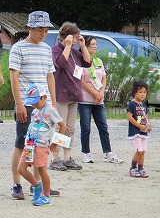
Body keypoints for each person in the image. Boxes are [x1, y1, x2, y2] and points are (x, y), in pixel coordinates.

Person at [9, 10, 58, 200]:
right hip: (26, 104)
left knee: (41, 145)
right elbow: (14, 76)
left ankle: (36, 185)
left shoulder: (47, 49)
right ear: (29, 28)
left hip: (44, 105)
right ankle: (16, 184)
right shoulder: (18, 48)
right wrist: (19, 103)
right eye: (39, 30)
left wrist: (53, 103)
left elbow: (50, 76)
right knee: (22, 143)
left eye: (46, 30)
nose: (43, 34)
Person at [50, 22, 91, 171]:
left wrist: (83, 45)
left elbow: (87, 62)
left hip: (74, 94)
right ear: (65, 36)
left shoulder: (75, 52)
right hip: (61, 94)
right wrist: (67, 46)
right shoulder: (56, 50)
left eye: (76, 37)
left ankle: (67, 158)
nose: (74, 40)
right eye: (73, 37)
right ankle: (55, 158)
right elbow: (60, 64)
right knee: (60, 126)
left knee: (70, 128)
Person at [18, 83, 66, 206]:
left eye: (35, 101)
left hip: (42, 146)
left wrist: (55, 142)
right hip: (29, 145)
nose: (33, 104)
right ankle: (36, 185)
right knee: (21, 169)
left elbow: (62, 125)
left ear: (44, 97)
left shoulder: (51, 110)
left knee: (42, 170)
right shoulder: (34, 111)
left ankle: (46, 196)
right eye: (31, 102)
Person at [78, 36, 124, 164]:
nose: (95, 46)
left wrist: (101, 93)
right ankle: (86, 153)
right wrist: (95, 93)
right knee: (86, 127)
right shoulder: (80, 62)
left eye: (95, 44)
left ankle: (108, 152)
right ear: (85, 47)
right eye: (92, 44)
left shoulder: (98, 61)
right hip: (85, 100)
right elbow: (81, 81)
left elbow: (104, 78)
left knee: (103, 126)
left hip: (99, 100)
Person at [127, 80, 152, 178]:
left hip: (143, 132)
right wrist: (139, 126)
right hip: (135, 132)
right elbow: (129, 117)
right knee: (139, 151)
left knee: (143, 151)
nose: (142, 94)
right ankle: (133, 168)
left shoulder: (144, 105)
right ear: (134, 93)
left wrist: (148, 126)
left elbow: (145, 117)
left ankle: (141, 168)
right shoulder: (132, 104)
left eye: (144, 92)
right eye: (140, 92)